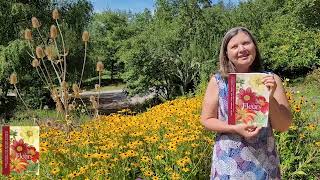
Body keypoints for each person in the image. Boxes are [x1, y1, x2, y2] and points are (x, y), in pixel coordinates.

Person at [200, 27, 292, 179]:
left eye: (246, 43)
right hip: (229, 163)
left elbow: (283, 126)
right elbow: (206, 119)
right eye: (234, 46)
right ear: (226, 54)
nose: (241, 49)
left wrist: (269, 97)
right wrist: (235, 128)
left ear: (254, 46)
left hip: (264, 162)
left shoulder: (271, 80)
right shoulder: (218, 81)